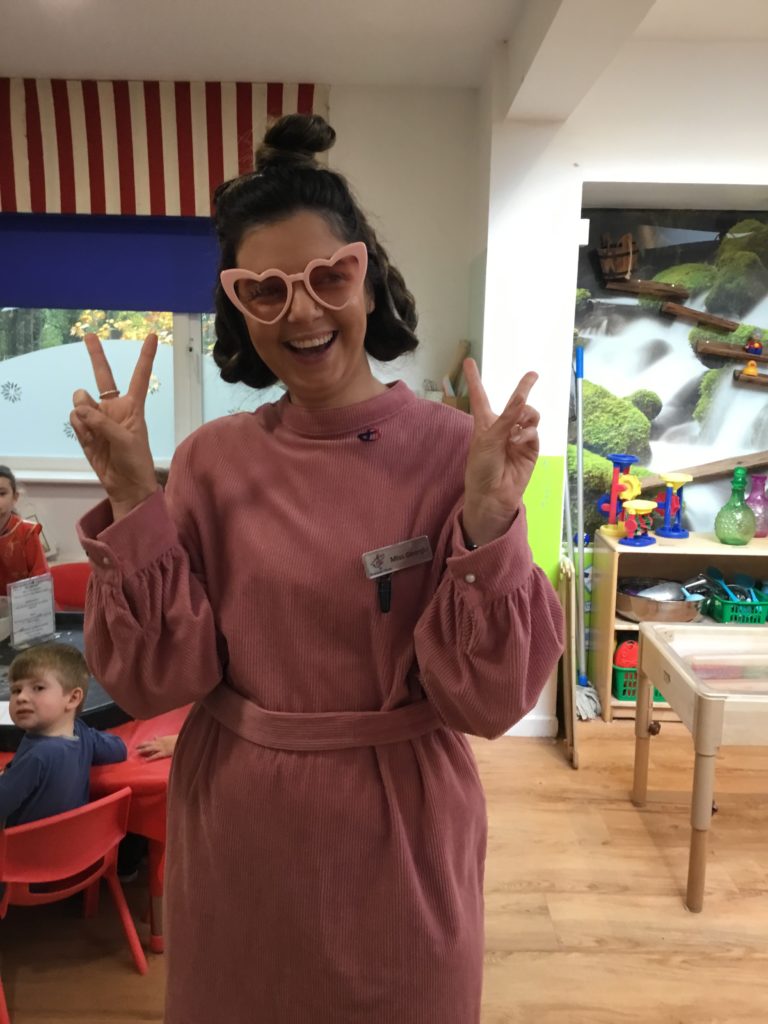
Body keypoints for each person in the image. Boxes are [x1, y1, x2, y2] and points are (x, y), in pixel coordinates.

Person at [69, 114, 564, 1024]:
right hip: (240, 829)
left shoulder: (458, 452)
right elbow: (156, 680)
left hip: (400, 831)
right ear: (240, 310)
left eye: (327, 277)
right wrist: (135, 493)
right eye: (265, 291)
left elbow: (490, 702)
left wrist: (491, 520)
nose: (300, 312)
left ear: (366, 279)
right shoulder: (213, 460)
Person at [0, 644, 126, 827]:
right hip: (74, 840)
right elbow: (118, 749)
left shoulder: (37, 757)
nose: (21, 698)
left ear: (73, 698)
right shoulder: (81, 733)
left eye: (38, 688)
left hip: (27, 844)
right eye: (16, 690)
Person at [0, 466, 48, 596]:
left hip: (23, 604)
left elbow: (41, 580)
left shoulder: (27, 533)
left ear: (15, 497)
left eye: (1, 494)